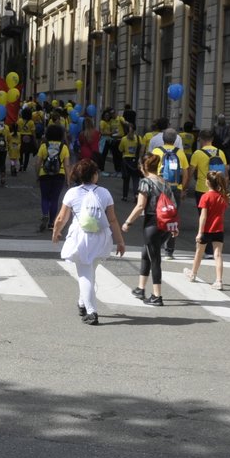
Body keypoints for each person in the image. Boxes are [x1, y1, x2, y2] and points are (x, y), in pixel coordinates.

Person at [52, 159, 125, 326]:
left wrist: (56, 233)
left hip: (82, 237)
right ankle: (82, 303)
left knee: (85, 274)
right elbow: (112, 220)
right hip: (102, 237)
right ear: (94, 175)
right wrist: (120, 241)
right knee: (90, 272)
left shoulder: (72, 193)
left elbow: (62, 218)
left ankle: (91, 312)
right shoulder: (105, 193)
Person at [121, 153, 174, 307]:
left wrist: (128, 222)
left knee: (155, 258)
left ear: (143, 167)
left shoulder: (145, 182)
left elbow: (140, 206)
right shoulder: (165, 182)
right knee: (147, 253)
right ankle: (140, 288)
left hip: (152, 223)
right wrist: (174, 226)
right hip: (165, 225)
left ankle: (157, 296)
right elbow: (173, 206)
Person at [151, 129, 189, 260]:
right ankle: (169, 251)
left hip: (159, 188)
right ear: (175, 140)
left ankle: (155, 245)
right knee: (172, 218)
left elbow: (151, 171)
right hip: (175, 189)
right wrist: (183, 189)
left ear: (163, 139)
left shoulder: (156, 152)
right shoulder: (180, 154)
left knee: (157, 216)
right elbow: (185, 173)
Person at [188, 170, 230, 289]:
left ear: (207, 182)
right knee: (218, 255)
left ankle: (193, 274)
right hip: (219, 229)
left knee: (199, 252)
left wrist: (200, 232)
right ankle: (219, 280)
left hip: (206, 229)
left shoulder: (205, 197)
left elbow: (203, 216)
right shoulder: (222, 197)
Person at [33, 124, 70, 233]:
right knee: (54, 199)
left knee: (45, 197)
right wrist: (68, 179)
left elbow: (38, 163)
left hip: (45, 174)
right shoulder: (64, 147)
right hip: (59, 175)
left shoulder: (44, 146)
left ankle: (45, 214)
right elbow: (67, 165)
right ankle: (51, 223)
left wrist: (37, 175)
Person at [119, 122, 142, 202]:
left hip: (126, 160)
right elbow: (141, 149)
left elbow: (120, 149)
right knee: (135, 179)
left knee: (126, 179)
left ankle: (125, 196)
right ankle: (136, 196)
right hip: (135, 160)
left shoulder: (124, 139)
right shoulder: (139, 138)